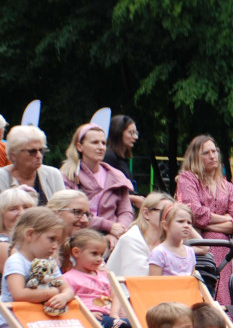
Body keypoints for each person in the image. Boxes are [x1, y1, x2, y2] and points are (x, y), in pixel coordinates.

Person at [0, 208, 75, 328]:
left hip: (33, 323)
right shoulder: (16, 261)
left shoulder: (49, 262)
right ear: (30, 235)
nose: (55, 246)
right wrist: (51, 292)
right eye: (51, 239)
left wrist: (63, 296)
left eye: (58, 241)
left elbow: (68, 289)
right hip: (8, 327)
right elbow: (19, 294)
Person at [175, 135, 233, 304]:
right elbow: (193, 213)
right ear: (196, 157)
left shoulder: (227, 186)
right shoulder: (188, 179)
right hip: (198, 250)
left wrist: (208, 224)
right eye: (206, 153)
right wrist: (225, 219)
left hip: (224, 254)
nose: (212, 156)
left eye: (214, 151)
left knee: (223, 298)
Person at [59, 123, 134, 251]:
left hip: (114, 238)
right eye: (95, 142)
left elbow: (126, 211)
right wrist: (109, 226)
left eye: (103, 143)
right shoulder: (68, 175)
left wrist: (116, 232)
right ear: (80, 146)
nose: (101, 147)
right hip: (79, 239)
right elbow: (71, 213)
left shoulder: (116, 176)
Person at [63, 229, 135, 328]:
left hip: (109, 316)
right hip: (90, 319)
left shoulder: (103, 274)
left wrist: (114, 314)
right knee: (120, 327)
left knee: (135, 326)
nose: (99, 259)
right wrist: (85, 313)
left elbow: (116, 294)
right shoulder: (68, 278)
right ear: (76, 252)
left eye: (101, 255)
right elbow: (68, 303)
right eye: (94, 254)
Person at [105, 192, 174, 277]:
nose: (169, 216)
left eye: (172, 213)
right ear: (146, 214)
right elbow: (138, 280)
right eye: (164, 212)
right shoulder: (131, 239)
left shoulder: (170, 241)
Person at [0, 126, 65, 205]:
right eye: (32, 151)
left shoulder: (53, 174)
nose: (39, 156)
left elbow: (63, 210)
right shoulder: (2, 178)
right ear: (13, 155)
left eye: (41, 150)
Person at [103, 115, 143, 208]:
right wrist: (134, 198)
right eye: (131, 133)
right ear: (119, 133)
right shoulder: (109, 157)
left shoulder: (121, 159)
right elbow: (105, 193)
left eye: (136, 133)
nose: (136, 137)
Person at [148, 203, 196, 277]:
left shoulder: (190, 252)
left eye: (189, 223)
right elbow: (154, 284)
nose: (186, 226)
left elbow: (193, 281)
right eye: (180, 221)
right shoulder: (159, 253)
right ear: (165, 225)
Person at [0, 187, 37, 276]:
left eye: (26, 207)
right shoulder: (3, 245)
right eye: (13, 209)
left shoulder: (36, 240)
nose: (21, 213)